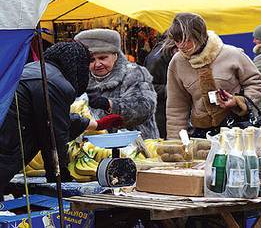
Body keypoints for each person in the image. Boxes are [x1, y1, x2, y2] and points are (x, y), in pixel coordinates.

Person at [0, 42, 123, 201]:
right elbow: (54, 134)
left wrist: (94, 124)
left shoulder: (33, 70)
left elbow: (51, 118)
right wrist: (58, 175)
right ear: (77, 64)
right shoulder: (55, 83)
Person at [165, 13, 261, 139]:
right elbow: (176, 107)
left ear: (199, 36)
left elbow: (257, 82)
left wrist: (238, 101)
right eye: (177, 40)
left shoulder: (232, 54)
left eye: (187, 40)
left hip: (236, 130)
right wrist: (175, 143)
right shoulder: (177, 62)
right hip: (201, 135)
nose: (181, 46)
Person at [74, 29, 159, 139]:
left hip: (133, 145)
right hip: (94, 148)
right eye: (91, 60)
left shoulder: (134, 73)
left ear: (115, 55)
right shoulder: (81, 80)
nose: (97, 64)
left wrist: (109, 104)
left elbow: (143, 108)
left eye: (102, 58)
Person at [144, 32, 177, 139]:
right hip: (160, 112)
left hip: (168, 108)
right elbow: (147, 87)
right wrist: (172, 90)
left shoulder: (168, 56)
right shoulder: (157, 59)